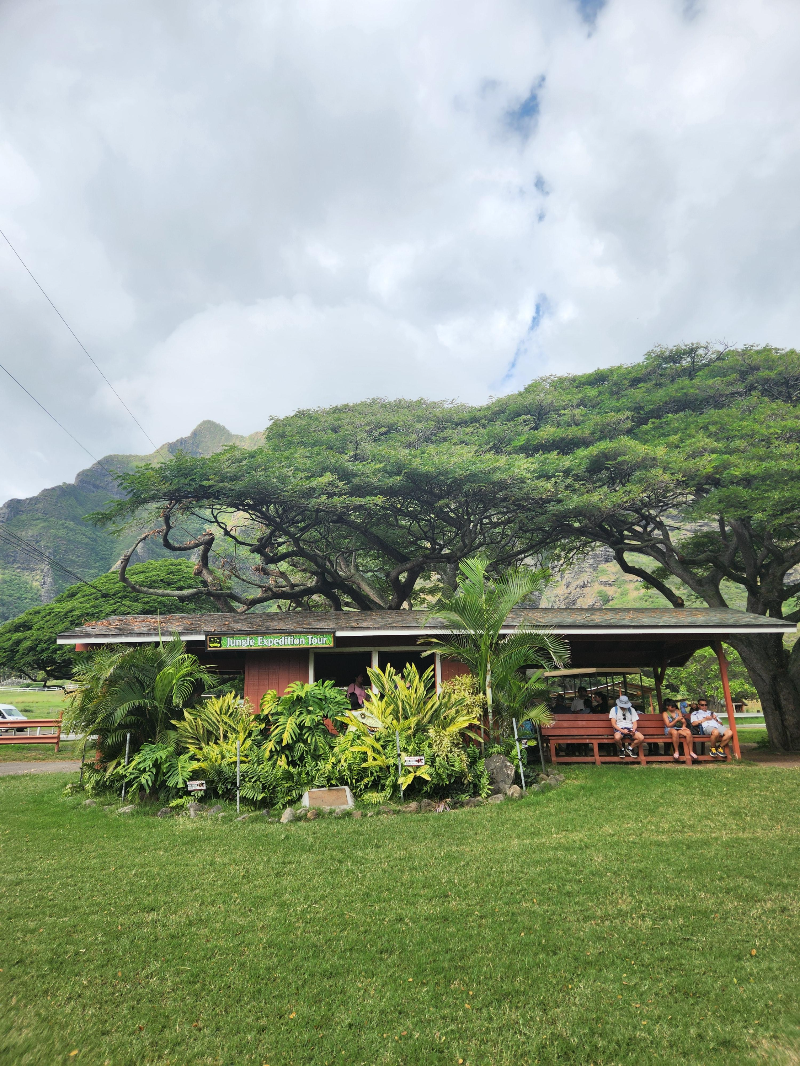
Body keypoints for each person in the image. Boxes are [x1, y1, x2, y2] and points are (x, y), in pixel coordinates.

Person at [609, 694, 644, 759]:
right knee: (617, 738)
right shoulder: (614, 710)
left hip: (630, 728)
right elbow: (613, 724)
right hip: (619, 729)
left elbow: (635, 722)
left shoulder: (632, 710)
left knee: (641, 738)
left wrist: (633, 730)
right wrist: (622, 730)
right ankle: (622, 749)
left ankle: (630, 748)